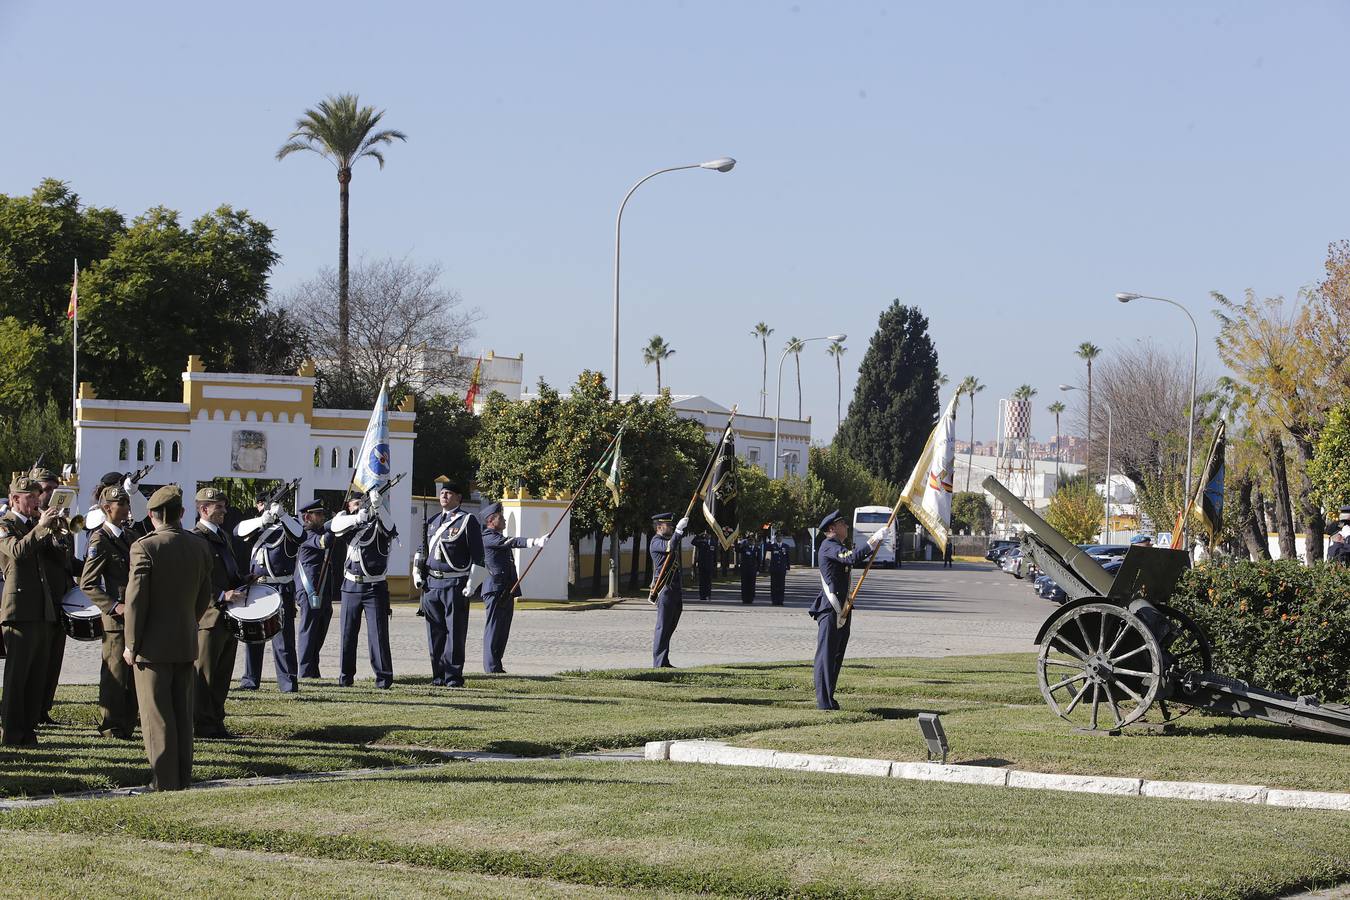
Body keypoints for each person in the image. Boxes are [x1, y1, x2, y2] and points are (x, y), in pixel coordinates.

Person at [123, 485, 215, 791]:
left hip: (152, 646)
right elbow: (205, 596)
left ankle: (163, 781)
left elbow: (135, 601)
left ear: (152, 515)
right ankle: (182, 778)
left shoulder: (145, 546)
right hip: (186, 640)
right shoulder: (198, 545)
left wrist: (131, 644)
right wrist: (189, 622)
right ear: (182, 513)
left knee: (157, 717)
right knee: (181, 715)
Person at [0, 476, 64, 745]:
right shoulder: (6, 525)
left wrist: (58, 533)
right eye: (31, 496)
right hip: (19, 609)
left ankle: (28, 729)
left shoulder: (32, 526)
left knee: (37, 674)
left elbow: (58, 560)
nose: (37, 500)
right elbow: (16, 552)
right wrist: (40, 528)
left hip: (41, 609)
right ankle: (12, 732)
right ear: (15, 498)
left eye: (38, 495)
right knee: (18, 676)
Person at [809, 509, 890, 711]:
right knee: (826, 656)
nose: (846, 526)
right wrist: (873, 540)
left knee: (836, 656)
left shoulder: (837, 545)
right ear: (832, 528)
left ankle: (830, 697)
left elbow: (852, 557)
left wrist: (873, 544)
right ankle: (823, 702)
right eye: (842, 523)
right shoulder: (829, 546)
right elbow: (851, 558)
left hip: (843, 609)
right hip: (830, 609)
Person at [79, 484, 139, 738]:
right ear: (107, 508)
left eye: (126, 503)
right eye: (121, 504)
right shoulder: (100, 540)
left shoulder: (128, 536)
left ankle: (127, 723)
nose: (126, 508)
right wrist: (114, 606)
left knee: (133, 673)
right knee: (115, 672)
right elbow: (88, 583)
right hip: (116, 619)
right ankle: (111, 725)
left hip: (134, 615)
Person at [413, 478, 482, 687]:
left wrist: (472, 582)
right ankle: (438, 675)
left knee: (455, 632)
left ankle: (453, 677)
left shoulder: (467, 521)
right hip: (432, 584)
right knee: (435, 633)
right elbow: (422, 550)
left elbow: (479, 556)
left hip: (455, 584)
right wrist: (417, 571)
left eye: (449, 493)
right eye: (443, 493)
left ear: (459, 498)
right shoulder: (433, 521)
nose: (444, 496)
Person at [192, 486, 248, 738]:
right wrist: (220, 595)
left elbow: (229, 572)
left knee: (223, 673)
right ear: (204, 509)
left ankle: (216, 721)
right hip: (209, 617)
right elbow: (195, 578)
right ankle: (202, 724)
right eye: (219, 507)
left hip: (228, 616)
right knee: (205, 673)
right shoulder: (196, 538)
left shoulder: (222, 536)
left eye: (224, 506)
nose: (224, 511)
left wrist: (246, 580)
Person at [235, 493, 303, 693]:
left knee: (283, 639)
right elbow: (237, 531)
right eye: (263, 503)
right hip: (257, 587)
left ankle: (288, 683)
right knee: (253, 637)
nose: (266, 507)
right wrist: (262, 519)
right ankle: (250, 680)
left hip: (280, 587)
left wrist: (282, 515)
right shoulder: (256, 525)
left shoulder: (287, 526)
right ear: (258, 505)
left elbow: (301, 535)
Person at [329, 489, 398, 688]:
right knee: (347, 634)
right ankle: (345, 677)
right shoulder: (348, 523)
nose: (358, 505)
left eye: (361, 502)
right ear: (349, 506)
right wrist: (358, 518)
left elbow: (391, 529)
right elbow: (333, 526)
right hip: (350, 585)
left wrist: (377, 507)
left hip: (374, 586)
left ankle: (383, 679)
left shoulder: (379, 522)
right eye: (354, 503)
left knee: (378, 635)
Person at [469, 501, 548, 673]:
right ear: (491, 520)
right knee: (494, 627)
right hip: (495, 589)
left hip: (506, 588)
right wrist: (535, 541)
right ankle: (490, 667)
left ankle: (497, 664)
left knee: (503, 629)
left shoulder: (496, 537)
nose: (504, 520)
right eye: (501, 518)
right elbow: (512, 541)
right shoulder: (489, 537)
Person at [32, 466, 77, 725]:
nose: (49, 494)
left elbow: (68, 561)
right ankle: (33, 708)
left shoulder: (62, 521)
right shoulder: (34, 524)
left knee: (54, 660)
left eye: (53, 489)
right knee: (38, 659)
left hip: (61, 598)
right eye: (45, 490)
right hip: (41, 600)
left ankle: (44, 708)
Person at [295, 499, 339, 678]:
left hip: (323, 589)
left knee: (320, 631)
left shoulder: (319, 531)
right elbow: (323, 542)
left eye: (322, 514)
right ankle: (305, 672)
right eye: (318, 514)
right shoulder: (305, 534)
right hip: (309, 590)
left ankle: (314, 669)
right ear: (307, 517)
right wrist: (335, 524)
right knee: (309, 630)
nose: (322, 517)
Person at [649, 511, 689, 667]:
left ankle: (664, 661)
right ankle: (658, 663)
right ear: (659, 527)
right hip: (664, 589)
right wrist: (679, 531)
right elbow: (670, 546)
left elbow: (673, 543)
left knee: (670, 626)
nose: (671, 527)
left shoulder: (666, 540)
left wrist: (678, 532)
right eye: (669, 525)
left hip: (674, 589)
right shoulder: (655, 542)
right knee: (663, 626)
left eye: (673, 525)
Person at [691, 531, 716, 601]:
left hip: (709, 565)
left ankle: (708, 595)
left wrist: (714, 564)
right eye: (706, 534)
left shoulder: (713, 542)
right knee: (702, 581)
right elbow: (693, 542)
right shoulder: (701, 542)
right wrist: (699, 535)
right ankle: (702, 596)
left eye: (708, 534)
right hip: (702, 565)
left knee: (708, 581)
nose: (707, 535)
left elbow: (715, 554)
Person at [766, 535, 790, 605]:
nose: (779, 538)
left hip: (782, 569)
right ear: (776, 538)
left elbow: (788, 558)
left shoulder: (786, 546)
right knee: (774, 585)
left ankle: (780, 600)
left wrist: (788, 567)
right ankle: (774, 600)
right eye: (778, 537)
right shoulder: (771, 546)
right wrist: (767, 566)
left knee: (781, 586)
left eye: (780, 537)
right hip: (774, 569)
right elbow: (768, 557)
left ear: (782, 538)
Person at [736, 535, 759, 605]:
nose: (751, 542)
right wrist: (740, 543)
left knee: (752, 585)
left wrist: (758, 569)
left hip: (753, 570)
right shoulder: (744, 548)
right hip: (745, 570)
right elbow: (737, 550)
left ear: (754, 541)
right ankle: (745, 598)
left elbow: (758, 560)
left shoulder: (757, 549)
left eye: (752, 540)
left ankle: (751, 598)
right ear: (747, 541)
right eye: (749, 540)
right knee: (745, 585)